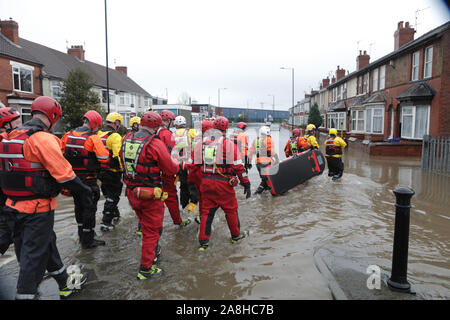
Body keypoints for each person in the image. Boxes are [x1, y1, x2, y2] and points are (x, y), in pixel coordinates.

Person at [0, 96, 90, 299]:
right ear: (53, 116)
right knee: (32, 258)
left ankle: (65, 283)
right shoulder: (43, 139)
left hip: (12, 208)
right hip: (37, 210)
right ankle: (25, 294)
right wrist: (85, 195)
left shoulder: (11, 136)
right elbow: (66, 176)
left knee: (46, 243)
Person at [121, 111, 180, 279]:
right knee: (151, 231)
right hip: (150, 194)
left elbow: (122, 161)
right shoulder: (154, 143)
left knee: (146, 226)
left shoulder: (126, 139)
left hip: (132, 192)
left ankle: (154, 250)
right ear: (156, 126)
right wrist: (179, 166)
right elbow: (170, 168)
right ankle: (146, 269)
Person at [188, 116, 251, 251]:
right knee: (231, 210)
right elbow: (238, 167)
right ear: (226, 129)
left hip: (205, 183)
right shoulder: (228, 144)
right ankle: (236, 236)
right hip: (223, 185)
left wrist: (195, 182)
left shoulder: (201, 143)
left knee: (206, 213)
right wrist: (246, 183)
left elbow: (193, 166)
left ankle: (203, 243)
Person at [61, 110, 109, 248]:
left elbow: (61, 153)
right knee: (89, 208)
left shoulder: (67, 135)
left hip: (72, 179)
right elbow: (103, 157)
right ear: (94, 124)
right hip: (88, 179)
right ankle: (88, 239)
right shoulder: (93, 138)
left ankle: (81, 235)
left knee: (78, 206)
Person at [157, 110, 191, 227]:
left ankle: (142, 227)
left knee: (152, 199)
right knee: (171, 196)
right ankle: (179, 219)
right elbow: (173, 153)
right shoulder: (166, 134)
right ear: (169, 121)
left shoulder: (153, 132)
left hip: (151, 172)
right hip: (171, 170)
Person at [97, 112, 124, 232]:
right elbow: (118, 155)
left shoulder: (98, 134)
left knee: (108, 194)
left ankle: (115, 215)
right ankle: (106, 222)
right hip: (113, 171)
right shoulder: (115, 136)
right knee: (113, 196)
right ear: (116, 122)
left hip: (100, 170)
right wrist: (123, 170)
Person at [0, 107, 22, 256]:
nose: (20, 124)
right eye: (17, 121)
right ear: (7, 125)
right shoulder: (5, 139)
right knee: (8, 230)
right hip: (5, 192)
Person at [172, 115, 199, 216]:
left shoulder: (173, 134)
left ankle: (183, 207)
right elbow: (198, 145)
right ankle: (192, 207)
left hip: (179, 165)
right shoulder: (191, 132)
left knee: (183, 187)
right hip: (190, 164)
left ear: (176, 125)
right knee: (193, 186)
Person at [248, 125, 278, 194]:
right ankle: (256, 193)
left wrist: (249, 162)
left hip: (258, 163)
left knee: (264, 179)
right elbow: (271, 151)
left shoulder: (255, 140)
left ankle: (264, 198)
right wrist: (276, 158)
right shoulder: (269, 139)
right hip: (266, 163)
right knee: (265, 180)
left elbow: (251, 152)